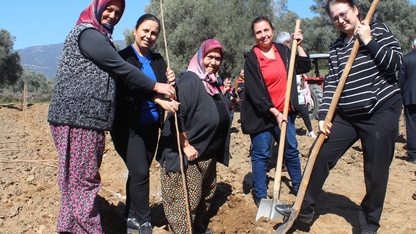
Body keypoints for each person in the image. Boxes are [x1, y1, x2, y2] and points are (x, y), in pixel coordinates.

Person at [47, 1, 175, 233]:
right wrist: (157, 88)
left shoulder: (99, 37)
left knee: (74, 182)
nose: (112, 15)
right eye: (108, 8)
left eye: (118, 12)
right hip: (80, 118)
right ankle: (89, 229)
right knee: (84, 183)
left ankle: (68, 227)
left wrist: (166, 84)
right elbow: (120, 69)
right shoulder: (88, 33)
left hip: (86, 119)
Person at [276, 0, 403, 233]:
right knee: (320, 155)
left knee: (375, 171)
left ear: (355, 10)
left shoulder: (378, 30)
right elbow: (332, 83)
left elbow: (395, 64)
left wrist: (368, 40)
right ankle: (303, 210)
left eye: (343, 14)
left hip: (380, 110)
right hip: (346, 114)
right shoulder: (336, 46)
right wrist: (323, 115)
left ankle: (369, 225)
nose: (340, 20)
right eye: (335, 18)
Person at [111, 14, 180, 234]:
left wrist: (171, 83)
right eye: (145, 31)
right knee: (141, 172)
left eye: (154, 33)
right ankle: (144, 221)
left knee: (137, 172)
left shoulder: (159, 60)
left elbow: (166, 89)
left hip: (151, 125)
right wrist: (158, 98)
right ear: (135, 30)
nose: (149, 36)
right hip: (128, 126)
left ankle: (130, 216)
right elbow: (128, 88)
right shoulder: (123, 57)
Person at [156, 39, 230, 234]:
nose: (213, 62)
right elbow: (176, 115)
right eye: (209, 57)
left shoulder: (212, 83)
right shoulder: (191, 81)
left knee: (205, 196)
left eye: (217, 58)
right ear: (200, 57)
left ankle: (196, 228)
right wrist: (186, 145)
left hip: (206, 153)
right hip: (185, 155)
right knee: (186, 200)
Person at [240, 16, 311, 206]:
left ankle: (298, 186)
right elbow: (255, 91)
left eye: (266, 30)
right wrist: (275, 113)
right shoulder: (252, 58)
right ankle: (261, 195)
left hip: (285, 113)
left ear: (272, 30)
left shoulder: (284, 51)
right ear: (254, 36)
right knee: (261, 153)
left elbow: (304, 66)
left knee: (291, 150)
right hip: (262, 115)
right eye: (258, 32)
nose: (263, 35)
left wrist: (299, 45)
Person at [276, 32, 317, 138]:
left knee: (290, 139)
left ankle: (310, 131)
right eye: (290, 44)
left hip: (294, 101)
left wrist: (297, 45)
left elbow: (305, 66)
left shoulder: (290, 60)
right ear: (286, 44)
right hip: (279, 104)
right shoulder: (277, 59)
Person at [398, 39, 416, 164]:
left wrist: (400, 96)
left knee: (411, 126)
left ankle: (413, 155)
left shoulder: (406, 59)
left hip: (411, 97)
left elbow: (401, 80)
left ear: (413, 46)